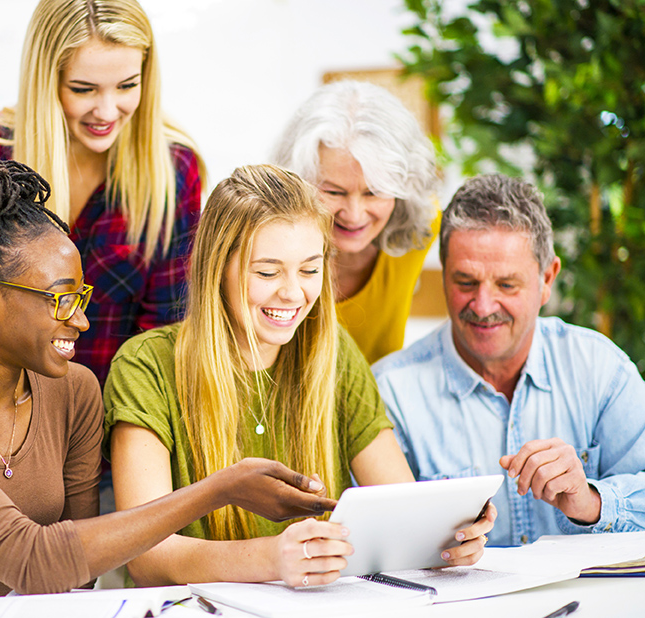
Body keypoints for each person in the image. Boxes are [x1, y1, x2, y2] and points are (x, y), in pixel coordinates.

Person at [0, 152, 337, 618]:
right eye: (61, 300)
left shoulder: (74, 393)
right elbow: (31, 560)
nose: (81, 321)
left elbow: (78, 576)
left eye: (81, 297)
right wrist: (220, 490)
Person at [105, 164, 494, 588]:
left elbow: (401, 506)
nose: (293, 293)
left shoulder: (333, 353)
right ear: (218, 268)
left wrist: (447, 540)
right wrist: (274, 559)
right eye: (267, 272)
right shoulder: (146, 365)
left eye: (309, 270)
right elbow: (147, 555)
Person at [0, 0, 203, 388]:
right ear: (46, 79)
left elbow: (166, 340)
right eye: (83, 89)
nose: (107, 111)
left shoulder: (174, 171)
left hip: (118, 424)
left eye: (127, 86)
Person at [372, 174, 645, 546]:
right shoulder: (391, 393)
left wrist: (591, 502)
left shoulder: (600, 370)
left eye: (506, 285)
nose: (483, 307)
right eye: (465, 282)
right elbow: (375, 541)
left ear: (547, 279)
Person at [272, 80, 440, 364]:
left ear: (404, 188)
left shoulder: (422, 226)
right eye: (334, 191)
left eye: (374, 192)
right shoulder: (265, 243)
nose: (354, 214)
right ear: (297, 181)